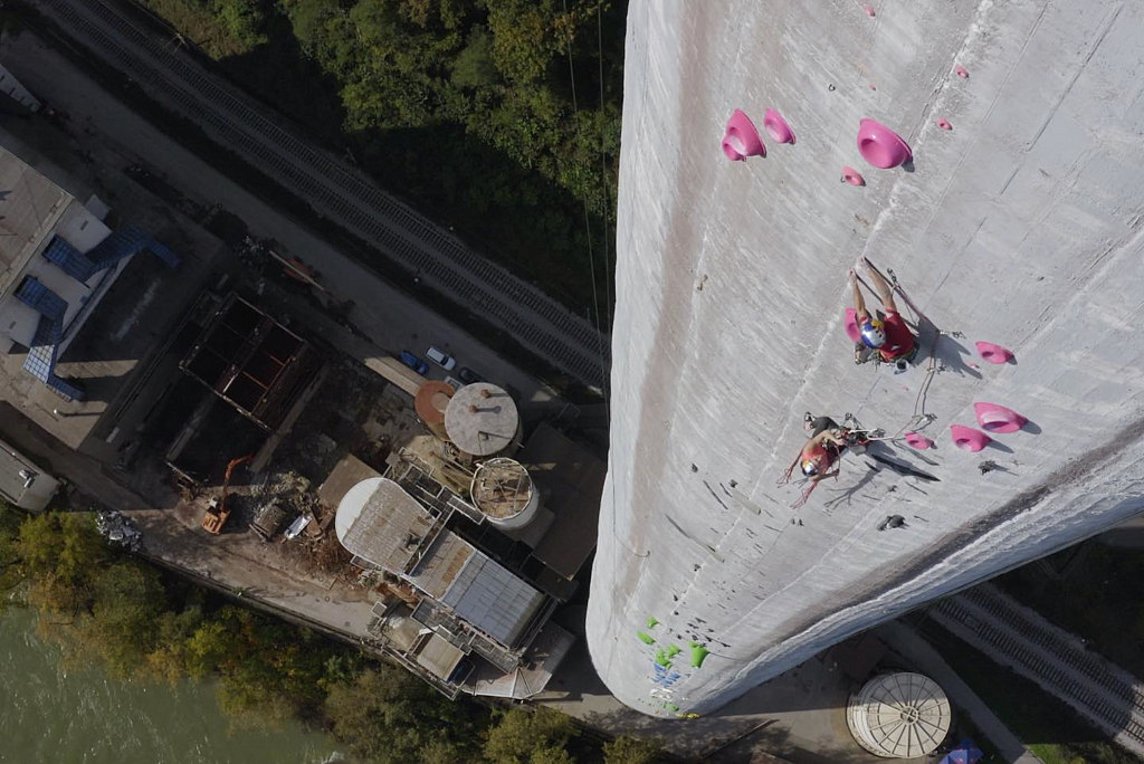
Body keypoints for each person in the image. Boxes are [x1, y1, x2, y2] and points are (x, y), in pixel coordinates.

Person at [850, 259, 918, 365]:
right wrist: (868, 269)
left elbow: (860, 309)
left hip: (896, 353)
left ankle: (861, 353)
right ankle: (862, 352)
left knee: (859, 320)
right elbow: (886, 296)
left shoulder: (883, 340)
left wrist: (854, 284)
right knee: (868, 316)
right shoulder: (895, 325)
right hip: (905, 346)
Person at [780, 414, 854, 507]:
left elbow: (824, 433)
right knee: (847, 436)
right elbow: (814, 478)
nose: (819, 459)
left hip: (819, 441)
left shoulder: (808, 451)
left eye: (815, 460)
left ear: (809, 459)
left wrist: (836, 440)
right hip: (830, 453)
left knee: (825, 421)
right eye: (818, 463)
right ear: (818, 469)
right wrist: (832, 474)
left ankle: (810, 424)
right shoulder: (816, 474)